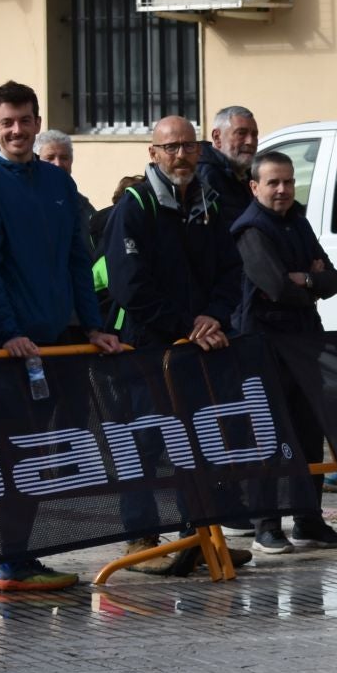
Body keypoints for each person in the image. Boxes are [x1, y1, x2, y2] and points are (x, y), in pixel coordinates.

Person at [0, 81, 125, 591]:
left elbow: (79, 260)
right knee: (13, 451)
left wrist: (94, 326)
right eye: (7, 122)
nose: (17, 130)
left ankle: (25, 556)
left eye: (25, 120)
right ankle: (11, 562)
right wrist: (10, 333)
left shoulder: (58, 183)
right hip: (11, 345)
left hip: (61, 339)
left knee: (44, 451)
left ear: (38, 123)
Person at [103, 115, 252, 574]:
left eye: (188, 146)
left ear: (199, 150)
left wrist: (213, 317)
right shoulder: (134, 206)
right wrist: (186, 326)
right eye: (170, 148)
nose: (181, 156)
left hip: (196, 346)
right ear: (153, 153)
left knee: (200, 440)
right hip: (147, 347)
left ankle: (200, 536)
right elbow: (131, 286)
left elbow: (231, 271)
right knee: (143, 443)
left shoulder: (209, 203)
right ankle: (139, 542)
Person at [229, 150, 337, 553]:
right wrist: (308, 281)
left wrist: (308, 281)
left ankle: (309, 519)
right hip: (263, 344)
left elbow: (333, 279)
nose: (283, 189)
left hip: (304, 342)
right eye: (273, 183)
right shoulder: (250, 229)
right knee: (267, 435)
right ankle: (266, 525)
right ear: (255, 187)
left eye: (288, 181)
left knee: (308, 431)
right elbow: (276, 287)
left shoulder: (297, 220)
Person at [32, 127, 100, 256]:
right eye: (50, 157)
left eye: (64, 157)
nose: (58, 164)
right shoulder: (29, 201)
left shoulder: (82, 204)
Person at [199, 105, 260, 214]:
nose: (250, 141)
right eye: (241, 133)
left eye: (254, 135)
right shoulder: (205, 175)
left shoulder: (252, 174)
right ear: (217, 138)